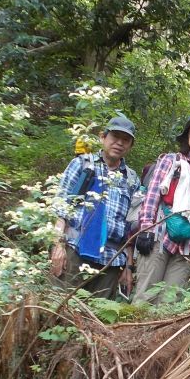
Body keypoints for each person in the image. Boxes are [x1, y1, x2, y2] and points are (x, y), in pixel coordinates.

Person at [133, 112, 190, 303]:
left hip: (186, 245)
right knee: (145, 296)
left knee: (169, 303)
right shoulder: (170, 161)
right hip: (158, 235)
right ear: (187, 136)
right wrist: (145, 229)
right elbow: (153, 194)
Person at [50, 116, 140, 300]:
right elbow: (61, 209)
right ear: (102, 137)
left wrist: (128, 267)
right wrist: (57, 247)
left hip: (111, 261)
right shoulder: (83, 165)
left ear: (130, 146)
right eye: (115, 136)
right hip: (75, 252)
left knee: (96, 321)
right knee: (60, 310)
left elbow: (130, 229)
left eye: (126, 140)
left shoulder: (131, 179)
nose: (119, 143)